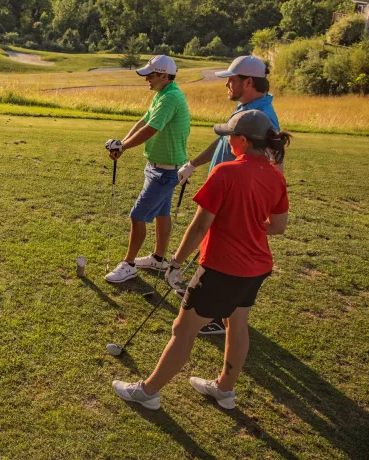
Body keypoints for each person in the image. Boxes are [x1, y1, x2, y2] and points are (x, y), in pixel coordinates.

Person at [111, 110, 291, 410]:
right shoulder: (275, 174)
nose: (227, 141)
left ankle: (148, 392)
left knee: (184, 329)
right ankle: (224, 389)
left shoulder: (226, 172)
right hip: (257, 267)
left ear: (243, 141)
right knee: (237, 324)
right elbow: (278, 226)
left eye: (230, 136)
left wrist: (176, 263)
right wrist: (246, 223)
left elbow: (199, 226)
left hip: (222, 268)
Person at [176, 55, 279, 336]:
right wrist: (194, 164)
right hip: (222, 191)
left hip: (234, 197)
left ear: (248, 82)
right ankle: (210, 306)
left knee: (220, 259)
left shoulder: (263, 118)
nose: (227, 85)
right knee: (209, 251)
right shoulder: (245, 107)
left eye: (231, 80)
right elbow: (223, 138)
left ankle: (211, 315)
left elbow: (268, 169)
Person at [103, 55, 191, 284]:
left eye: (150, 76)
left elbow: (151, 129)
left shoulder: (170, 97)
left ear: (163, 76)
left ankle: (129, 264)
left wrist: (124, 146)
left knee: (137, 215)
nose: (147, 80)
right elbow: (144, 121)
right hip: (158, 167)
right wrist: (122, 143)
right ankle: (158, 259)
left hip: (165, 171)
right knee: (162, 214)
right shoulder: (163, 94)